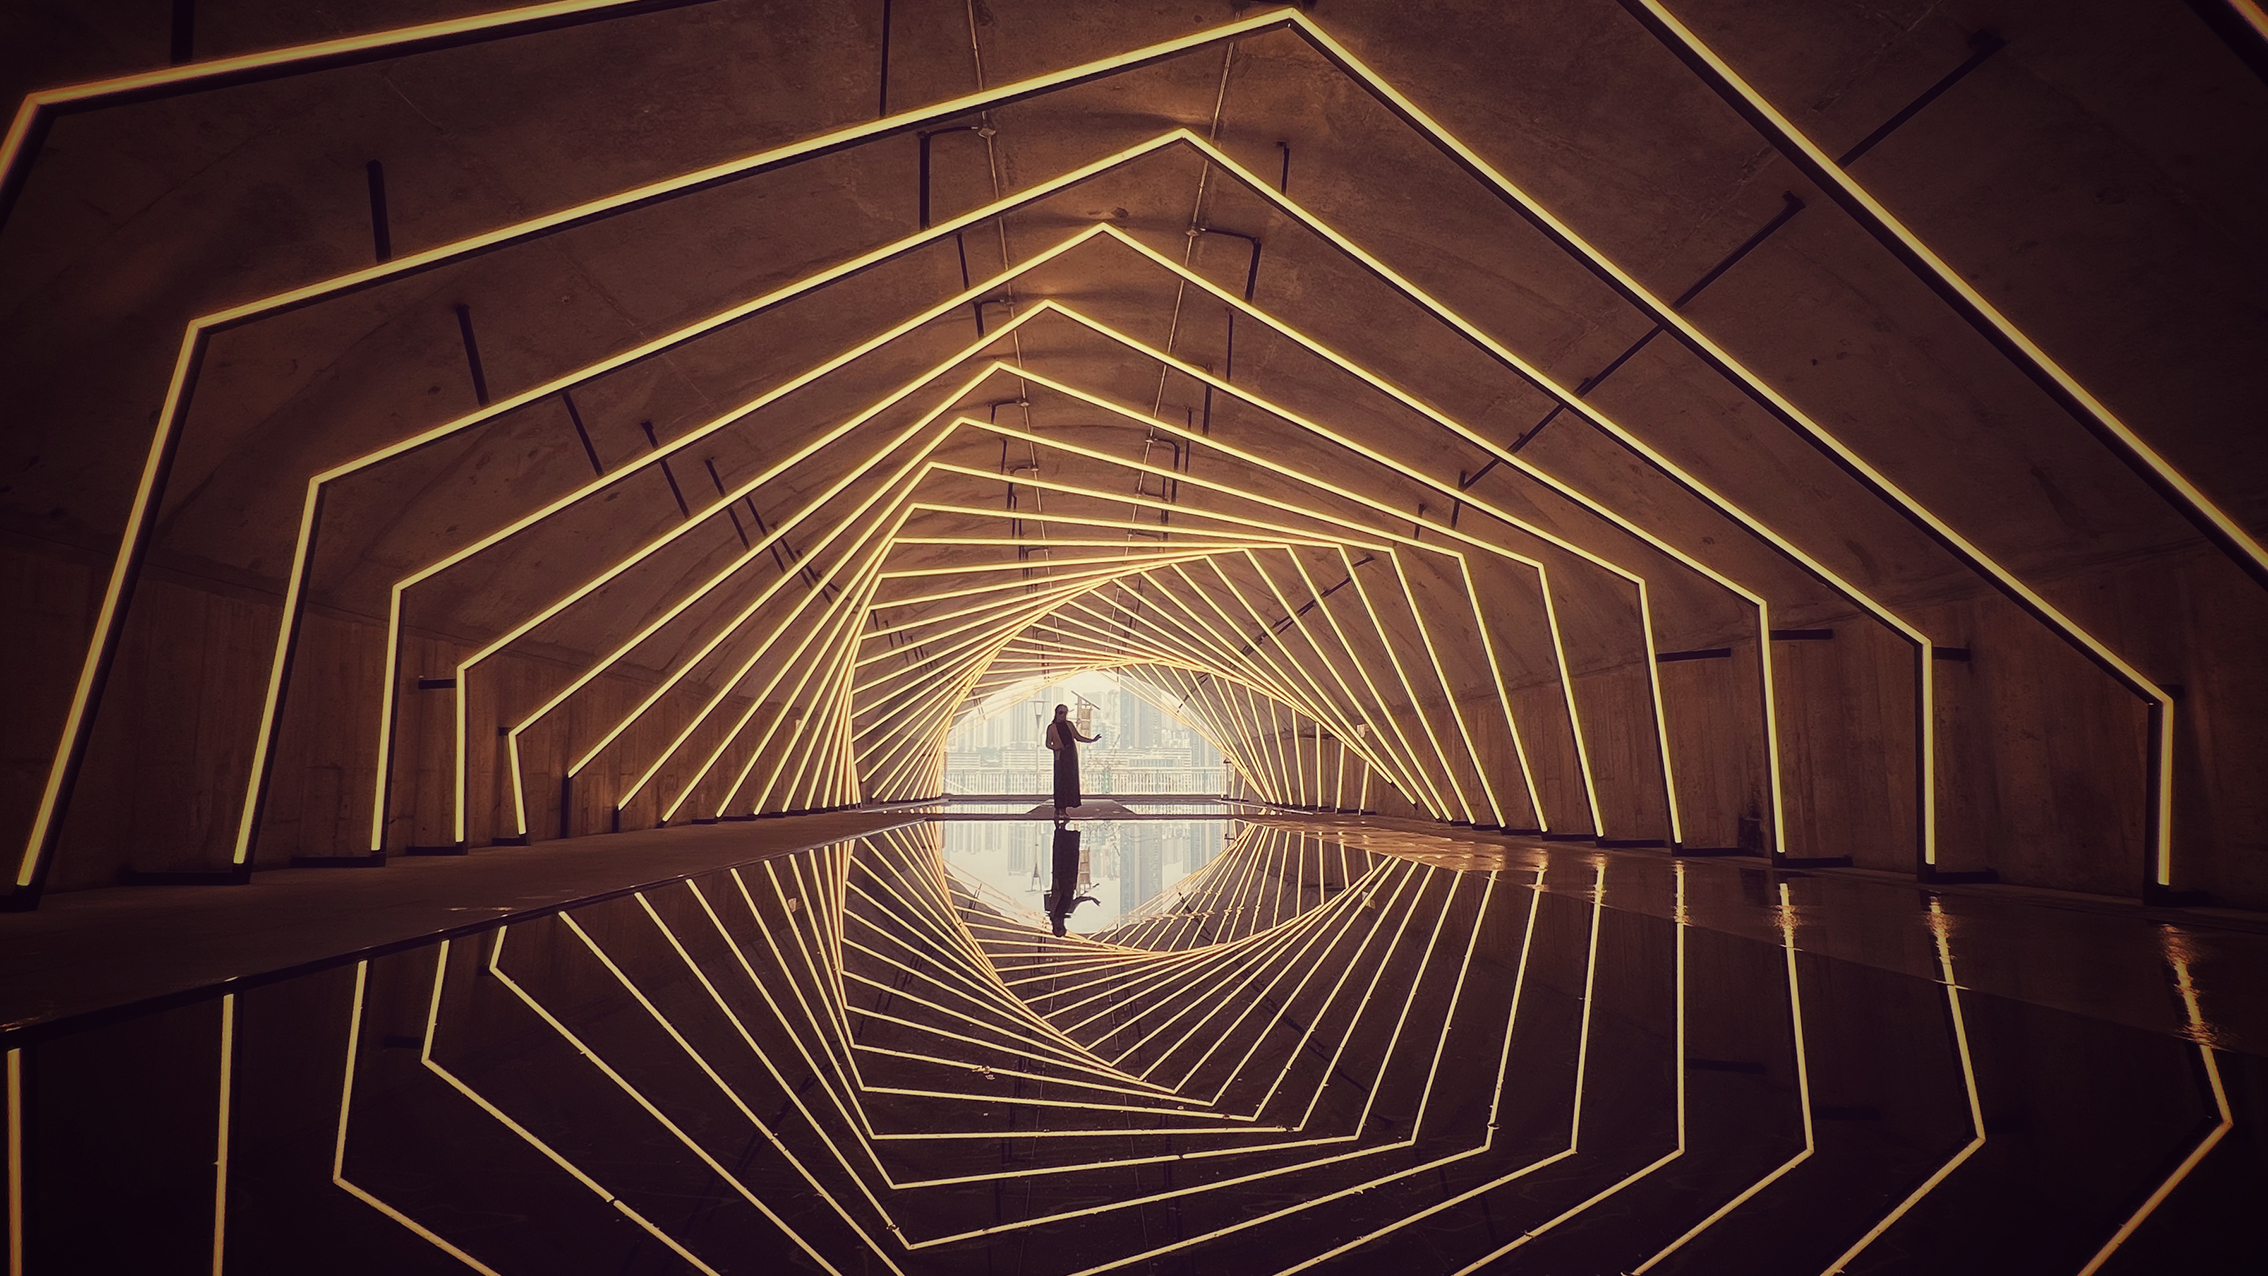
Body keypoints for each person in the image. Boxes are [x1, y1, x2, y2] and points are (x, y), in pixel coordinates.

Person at [1043, 703, 1098, 821]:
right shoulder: (1051, 727)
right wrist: (1056, 747)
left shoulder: (1069, 725)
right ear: (1056, 713)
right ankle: (1059, 809)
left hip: (1070, 757)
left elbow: (1078, 737)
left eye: (1065, 712)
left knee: (1069, 782)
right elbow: (1048, 743)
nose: (1063, 715)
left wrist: (1092, 740)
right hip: (1060, 757)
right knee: (1059, 783)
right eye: (1061, 712)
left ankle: (1065, 809)